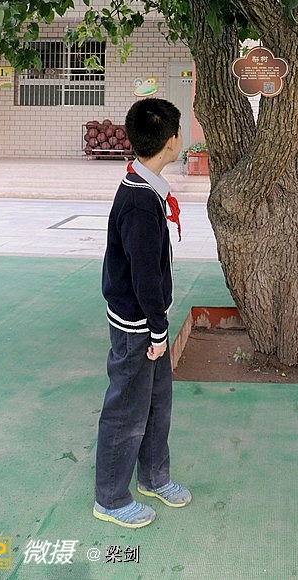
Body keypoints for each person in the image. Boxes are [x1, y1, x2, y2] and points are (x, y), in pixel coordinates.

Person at [94, 98, 191, 528]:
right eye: (180, 131)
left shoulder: (144, 186)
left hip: (148, 322)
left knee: (156, 404)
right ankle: (111, 498)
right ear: (171, 141)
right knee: (126, 411)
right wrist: (157, 330)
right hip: (138, 326)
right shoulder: (138, 201)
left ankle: (153, 477)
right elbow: (144, 276)